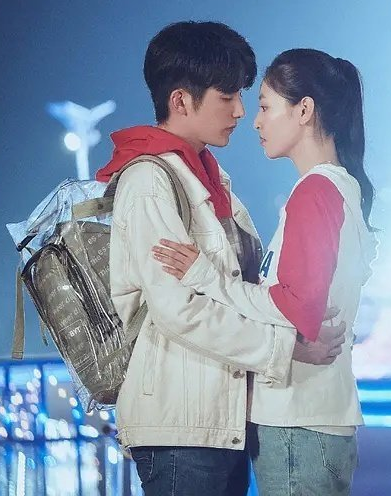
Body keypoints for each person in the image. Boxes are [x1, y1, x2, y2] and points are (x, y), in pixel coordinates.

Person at [99, 23, 346, 496]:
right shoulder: (149, 182)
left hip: (220, 421)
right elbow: (179, 310)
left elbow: (239, 285)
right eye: (227, 97)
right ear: (180, 101)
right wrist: (287, 348)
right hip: (179, 428)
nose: (240, 111)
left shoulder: (209, 177)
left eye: (243, 97)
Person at [152, 48, 377, 495]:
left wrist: (207, 277)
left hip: (298, 420)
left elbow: (297, 307)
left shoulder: (315, 190)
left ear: (304, 110)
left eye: (266, 106)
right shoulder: (339, 188)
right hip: (314, 417)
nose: (254, 121)